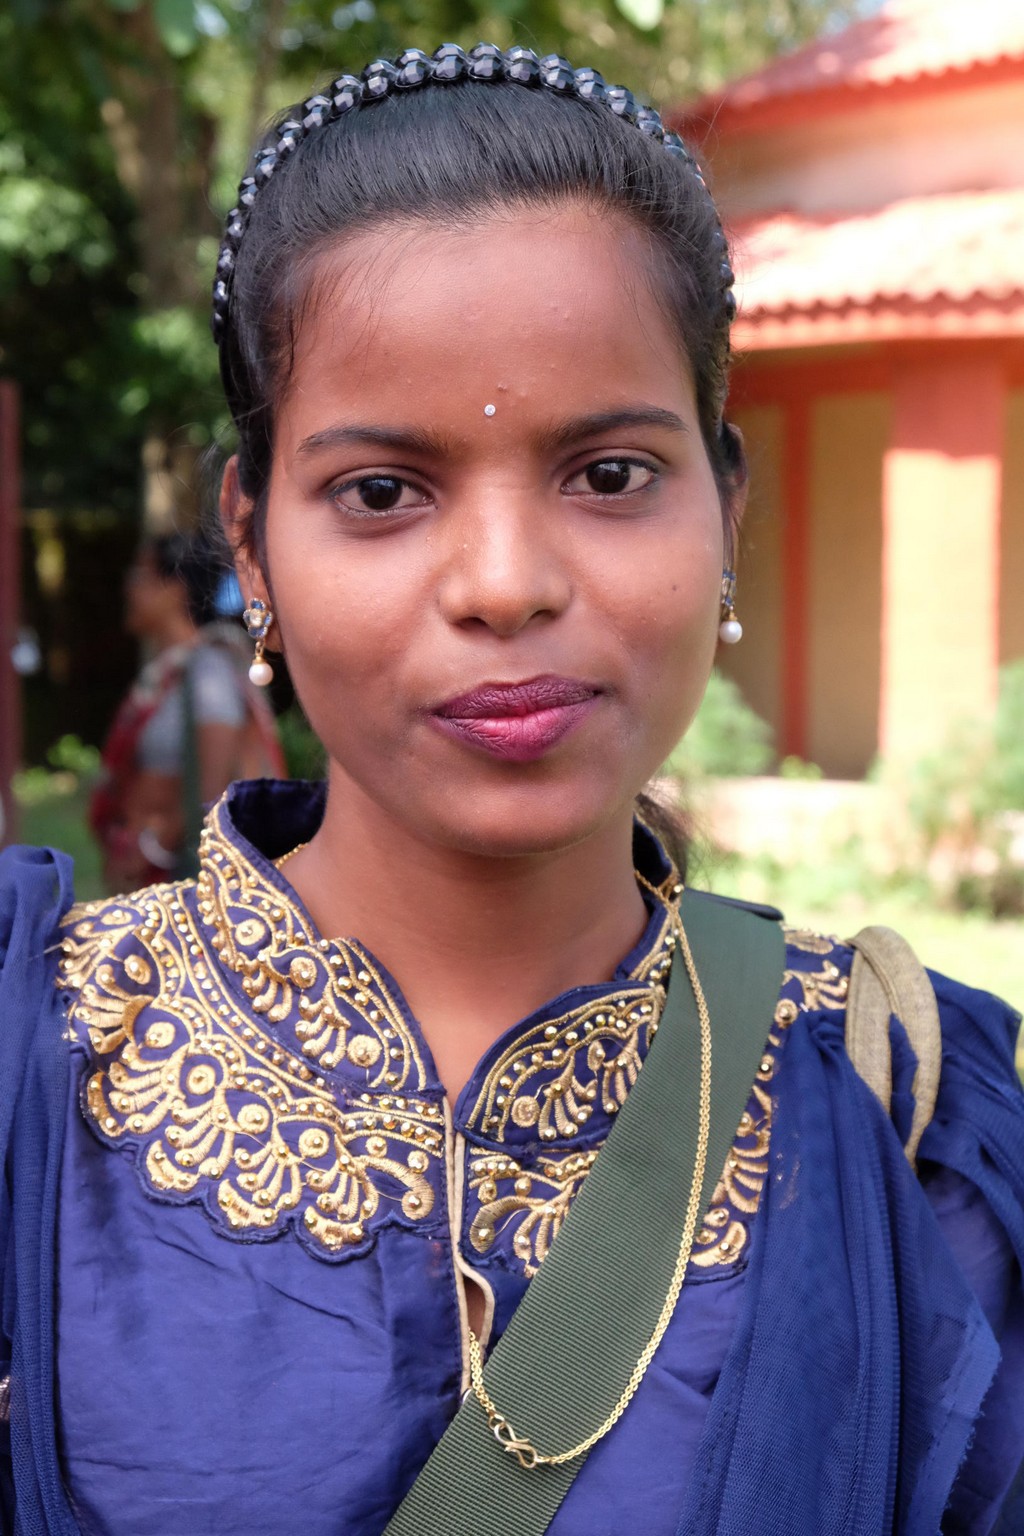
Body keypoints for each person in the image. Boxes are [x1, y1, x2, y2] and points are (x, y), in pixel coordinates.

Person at [1, 44, 1022, 1536]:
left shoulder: (905, 1109)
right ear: (253, 539)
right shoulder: (37, 1070)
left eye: (609, 475)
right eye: (380, 493)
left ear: (725, 510)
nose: (504, 583)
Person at [88, 533, 284, 889]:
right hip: (157, 878)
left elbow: (215, 784)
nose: (129, 588)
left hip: (188, 881)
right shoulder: (168, 675)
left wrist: (156, 848)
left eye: (140, 575)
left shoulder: (208, 668)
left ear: (175, 588)